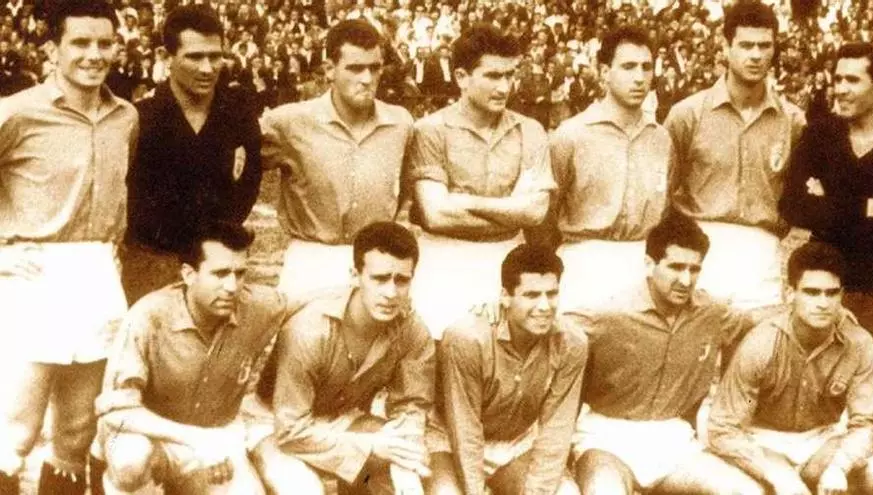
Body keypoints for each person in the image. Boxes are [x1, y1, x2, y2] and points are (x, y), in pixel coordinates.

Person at [0, 1, 137, 493]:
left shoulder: (126, 116)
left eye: (104, 43)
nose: (93, 54)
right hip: (32, 273)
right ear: (52, 49)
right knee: (14, 431)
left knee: (78, 430)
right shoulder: (16, 113)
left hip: (97, 272)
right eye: (80, 42)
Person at [565, 210, 763, 494]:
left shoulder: (712, 312)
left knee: (745, 491)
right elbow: (550, 330)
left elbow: (756, 320)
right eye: (676, 267)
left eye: (694, 269)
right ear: (650, 264)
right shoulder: (608, 313)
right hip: (606, 437)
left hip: (673, 438)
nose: (686, 280)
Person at [94, 222, 287, 494]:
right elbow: (117, 412)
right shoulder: (148, 316)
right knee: (130, 460)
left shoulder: (260, 307)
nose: (232, 286)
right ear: (188, 274)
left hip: (217, 436)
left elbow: (309, 306)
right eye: (220, 274)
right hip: (150, 434)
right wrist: (197, 440)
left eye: (240, 273)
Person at [248, 222, 435, 494]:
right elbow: (290, 431)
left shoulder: (411, 329)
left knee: (407, 480)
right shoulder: (309, 329)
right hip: (275, 423)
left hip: (342, 418)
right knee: (304, 490)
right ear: (354, 275)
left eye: (402, 280)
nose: (391, 293)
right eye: (380, 279)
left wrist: (407, 444)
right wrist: (370, 447)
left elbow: (412, 404)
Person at [407, 24, 555, 337]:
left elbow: (534, 212)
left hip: (508, 261)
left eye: (510, 75)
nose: (504, 87)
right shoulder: (431, 130)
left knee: (503, 357)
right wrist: (511, 208)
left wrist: (464, 201)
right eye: (492, 76)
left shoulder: (530, 130)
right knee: (441, 351)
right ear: (461, 77)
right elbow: (436, 214)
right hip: (443, 263)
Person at [664, 0, 806, 311]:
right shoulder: (687, 115)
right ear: (726, 47)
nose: (756, 55)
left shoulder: (793, 121)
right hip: (700, 252)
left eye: (764, 46)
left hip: (762, 255)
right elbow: (664, 193)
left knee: (760, 340)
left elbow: (798, 199)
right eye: (745, 45)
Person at [708, 242, 873, 495]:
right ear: (790, 293)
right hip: (762, 440)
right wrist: (774, 474)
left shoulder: (859, 343)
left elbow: (868, 423)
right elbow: (723, 428)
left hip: (820, 440)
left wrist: (839, 467)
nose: (823, 303)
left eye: (831, 293)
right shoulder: (762, 342)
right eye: (811, 292)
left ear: (842, 295)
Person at [261, 20, 414, 299]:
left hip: (376, 264)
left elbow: (407, 189)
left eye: (375, 68)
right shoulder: (288, 122)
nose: (367, 79)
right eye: (355, 68)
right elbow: (234, 170)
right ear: (330, 69)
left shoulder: (400, 123)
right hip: (311, 262)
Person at [122, 5, 262, 305]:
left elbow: (248, 184)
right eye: (195, 57)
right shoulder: (140, 118)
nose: (208, 68)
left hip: (215, 264)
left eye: (215, 56)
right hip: (151, 265)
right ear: (166, 56)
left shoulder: (238, 115)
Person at [425, 244, 587, 495]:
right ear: (505, 296)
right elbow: (464, 430)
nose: (545, 306)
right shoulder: (468, 338)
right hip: (451, 441)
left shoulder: (571, 342)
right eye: (531, 295)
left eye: (552, 294)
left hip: (517, 443)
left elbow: (556, 430)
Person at [544, 26, 673, 310]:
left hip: (643, 269)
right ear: (605, 72)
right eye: (628, 67)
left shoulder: (662, 139)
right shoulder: (571, 135)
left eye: (646, 67)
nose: (639, 77)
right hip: (584, 268)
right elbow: (544, 219)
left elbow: (666, 211)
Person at [779, 42, 873, 346]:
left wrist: (826, 200)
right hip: (823, 287)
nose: (841, 89)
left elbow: (814, 210)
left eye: (853, 80)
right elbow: (792, 206)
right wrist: (867, 207)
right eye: (838, 79)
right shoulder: (821, 135)